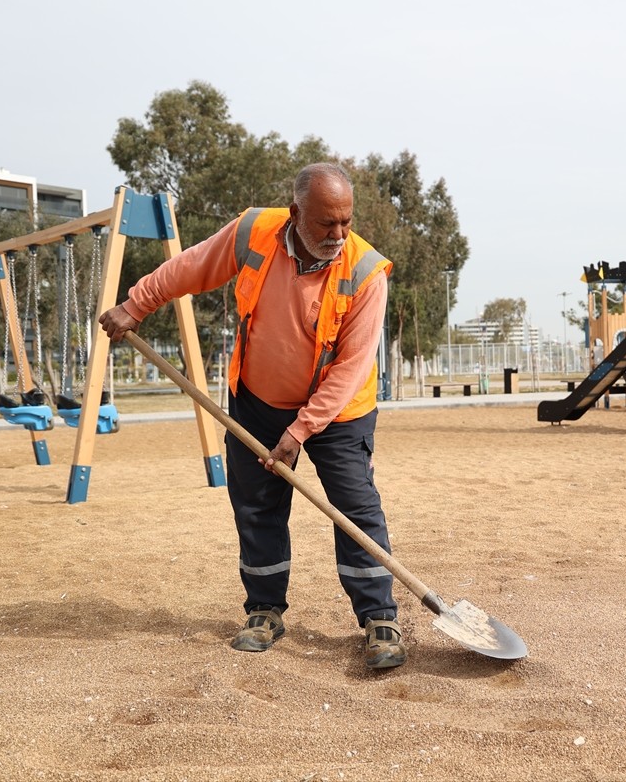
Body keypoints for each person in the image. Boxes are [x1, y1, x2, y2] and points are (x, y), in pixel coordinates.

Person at [98, 163, 405, 670]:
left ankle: (379, 618)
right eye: (327, 222)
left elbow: (350, 367)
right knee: (257, 508)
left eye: (346, 222)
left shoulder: (366, 271)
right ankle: (264, 610)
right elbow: (190, 266)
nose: (339, 234)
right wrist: (136, 304)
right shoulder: (254, 232)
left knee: (355, 509)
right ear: (295, 213)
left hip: (338, 411)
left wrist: (301, 430)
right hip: (257, 401)